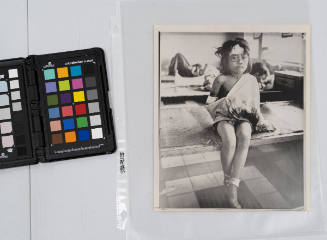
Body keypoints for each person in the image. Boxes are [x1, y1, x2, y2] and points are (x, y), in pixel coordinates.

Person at [207, 38, 274, 208]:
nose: (240, 61)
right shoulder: (220, 79)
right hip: (224, 117)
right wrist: (225, 103)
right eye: (234, 57)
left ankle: (233, 183)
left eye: (243, 57)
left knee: (245, 135)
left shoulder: (250, 79)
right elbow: (209, 103)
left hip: (244, 117)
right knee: (229, 140)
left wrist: (259, 119)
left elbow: (254, 105)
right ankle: (230, 183)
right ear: (225, 60)